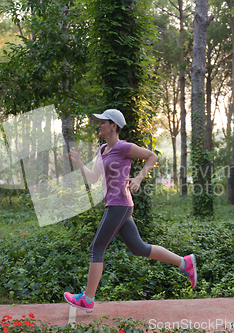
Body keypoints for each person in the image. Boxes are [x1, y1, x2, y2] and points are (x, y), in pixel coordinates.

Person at [64, 109, 197, 313]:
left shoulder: (123, 147)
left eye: (103, 122)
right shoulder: (102, 150)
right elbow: (93, 178)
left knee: (96, 248)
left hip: (119, 204)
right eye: (98, 122)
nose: (98, 125)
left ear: (113, 126)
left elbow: (152, 157)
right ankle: (184, 262)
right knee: (139, 248)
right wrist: (79, 163)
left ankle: (88, 299)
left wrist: (139, 178)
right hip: (117, 204)